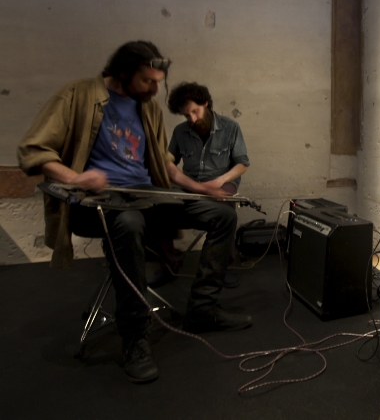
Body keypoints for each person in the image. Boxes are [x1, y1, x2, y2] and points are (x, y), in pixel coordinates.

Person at [17, 41, 252, 384]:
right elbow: (33, 150)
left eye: (159, 81)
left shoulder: (149, 109)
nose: (156, 90)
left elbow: (165, 167)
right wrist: (76, 177)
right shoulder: (77, 95)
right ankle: (135, 337)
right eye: (148, 81)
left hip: (147, 196)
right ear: (122, 73)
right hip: (98, 203)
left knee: (223, 215)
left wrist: (203, 190)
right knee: (128, 223)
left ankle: (203, 308)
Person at [166, 82, 250, 286]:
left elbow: (242, 164)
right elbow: (168, 160)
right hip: (190, 184)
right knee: (161, 206)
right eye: (187, 115)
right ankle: (168, 265)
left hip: (222, 181)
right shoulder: (180, 132)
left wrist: (220, 181)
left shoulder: (231, 127)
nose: (192, 119)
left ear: (206, 103)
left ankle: (225, 267)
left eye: (195, 111)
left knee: (225, 208)